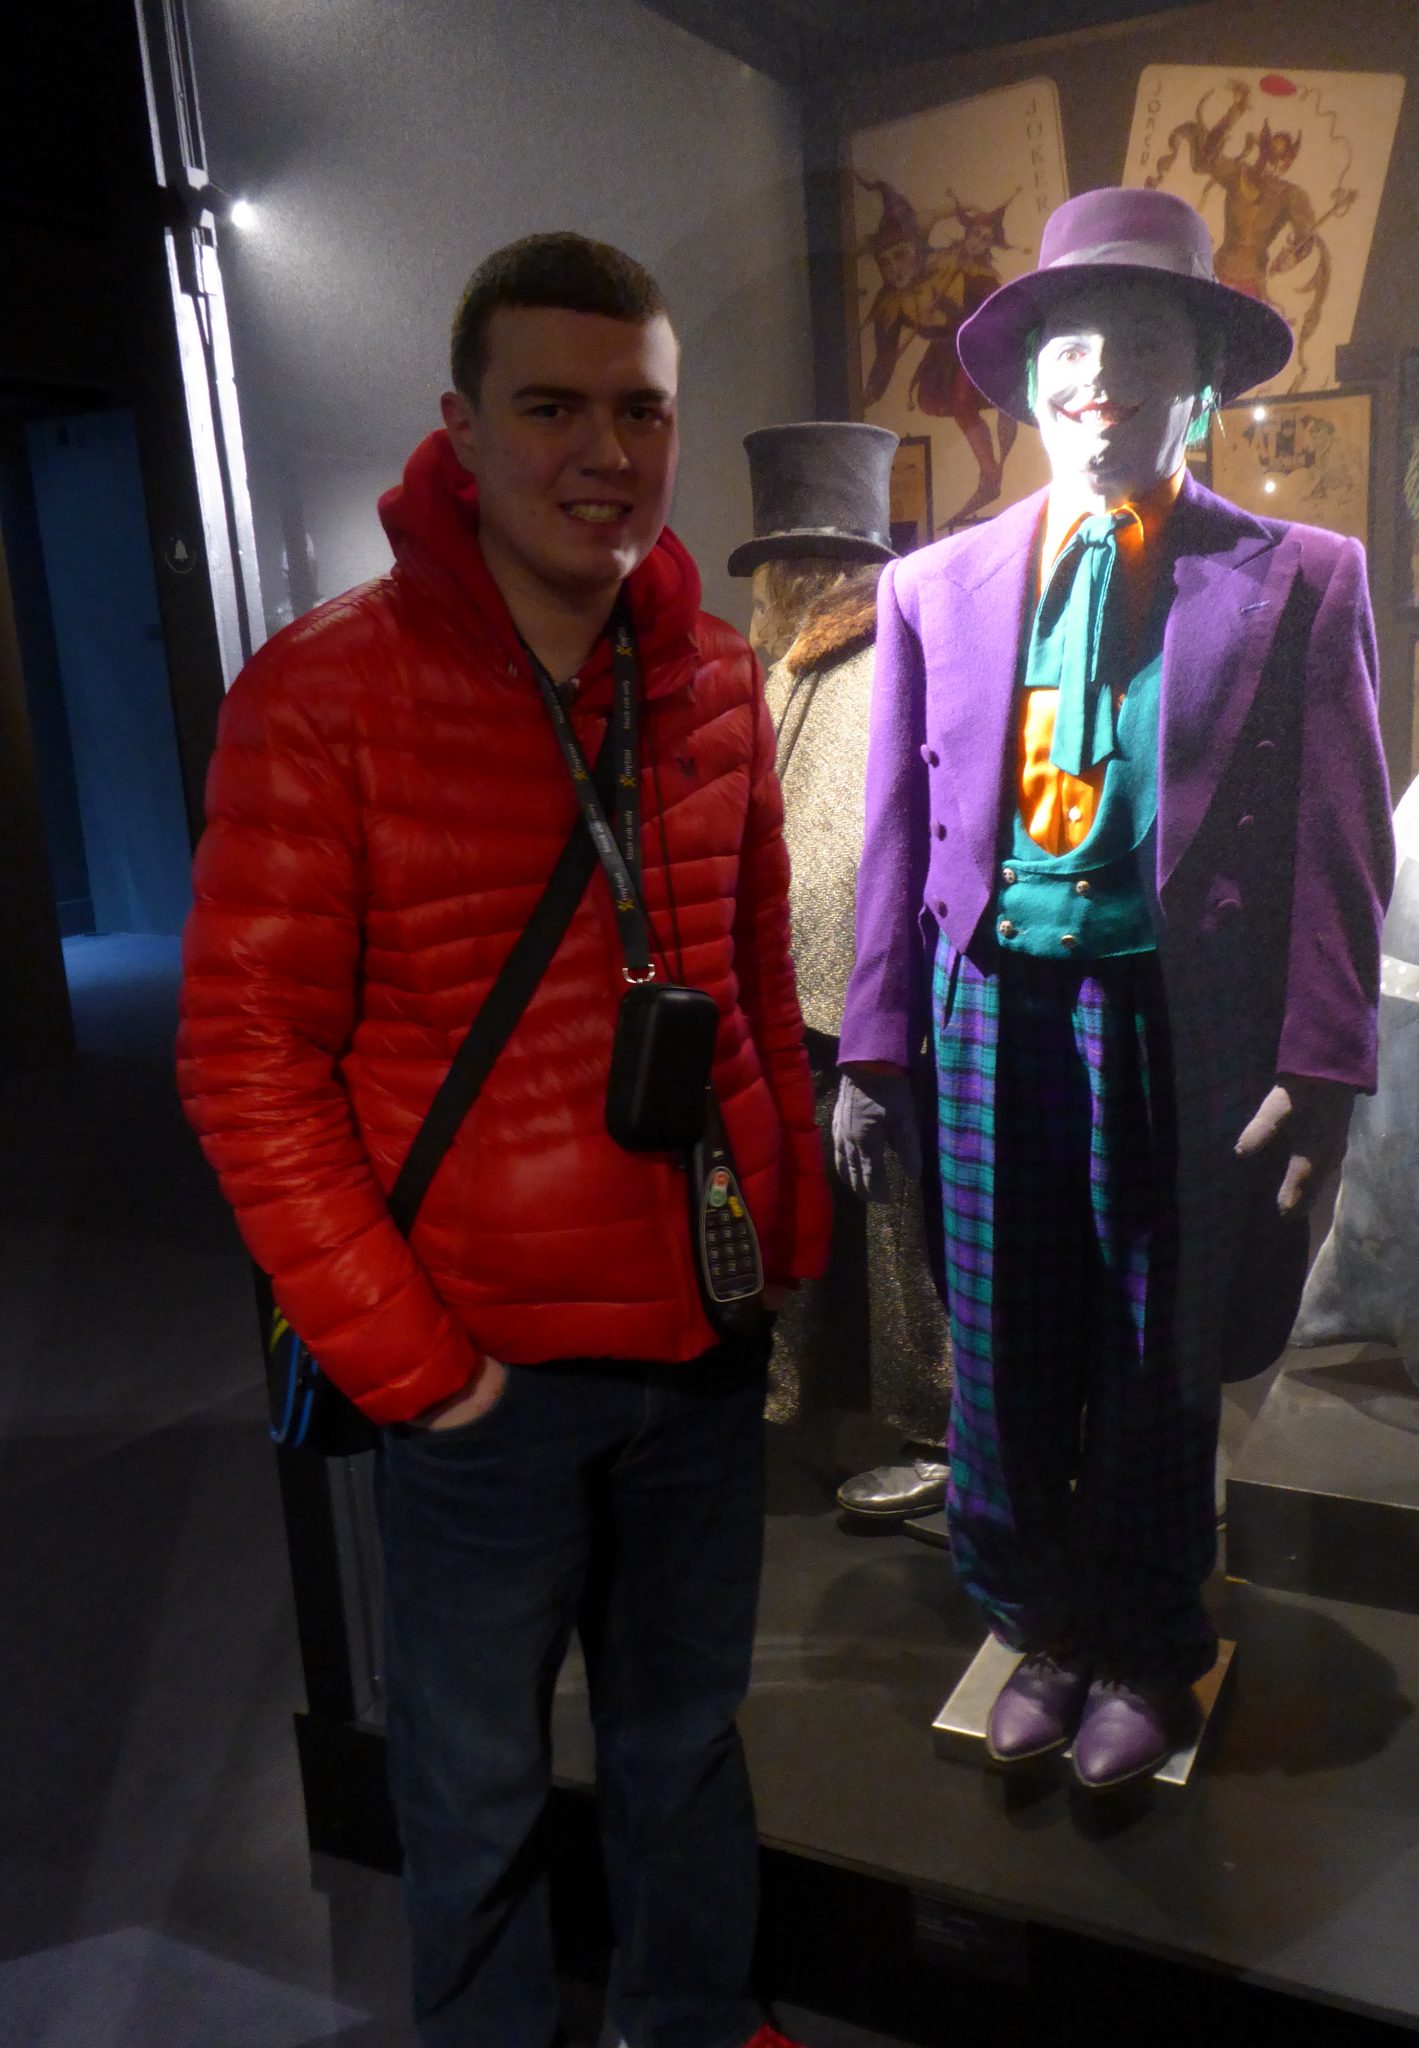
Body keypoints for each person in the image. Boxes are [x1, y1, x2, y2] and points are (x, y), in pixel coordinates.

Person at [178, 232, 828, 2048]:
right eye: (552, 407)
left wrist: (780, 1239)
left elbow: (753, 984)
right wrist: (418, 1368)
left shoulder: (713, 679)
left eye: (642, 410)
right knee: (467, 1785)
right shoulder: (325, 692)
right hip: (481, 1373)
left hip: (696, 1344)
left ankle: (693, 2018)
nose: (603, 452)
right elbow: (245, 1064)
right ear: (460, 428)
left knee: (683, 1739)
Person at [834, 187, 1394, 1789]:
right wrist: (874, 1044)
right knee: (1002, 1340)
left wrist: (1327, 1062)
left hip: (1171, 1014)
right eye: (1074, 343)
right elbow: (894, 833)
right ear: (1030, 379)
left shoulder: (1304, 576)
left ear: (1199, 377)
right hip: (988, 1006)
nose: (1103, 374)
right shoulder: (930, 587)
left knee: (1157, 1341)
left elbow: (1342, 838)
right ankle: (1041, 1623)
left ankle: (1147, 1636)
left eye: (1146, 340)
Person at [730, 422, 952, 1517]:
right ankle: (816, 1403)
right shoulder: (793, 667)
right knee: (838, 1211)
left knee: (900, 1223)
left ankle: (940, 1428)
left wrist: (872, 1020)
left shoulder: (877, 664)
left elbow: (866, 853)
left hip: (862, 1007)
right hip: (812, 1004)